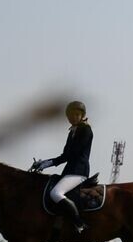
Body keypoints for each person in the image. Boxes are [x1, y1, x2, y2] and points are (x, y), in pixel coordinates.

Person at [31, 100, 93, 234]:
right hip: (70, 171)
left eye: (77, 114)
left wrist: (48, 163)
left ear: (82, 115)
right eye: (71, 115)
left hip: (79, 172)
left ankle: (79, 223)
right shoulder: (72, 132)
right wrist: (44, 163)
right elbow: (65, 155)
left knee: (56, 193)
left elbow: (73, 154)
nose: (74, 117)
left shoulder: (85, 130)